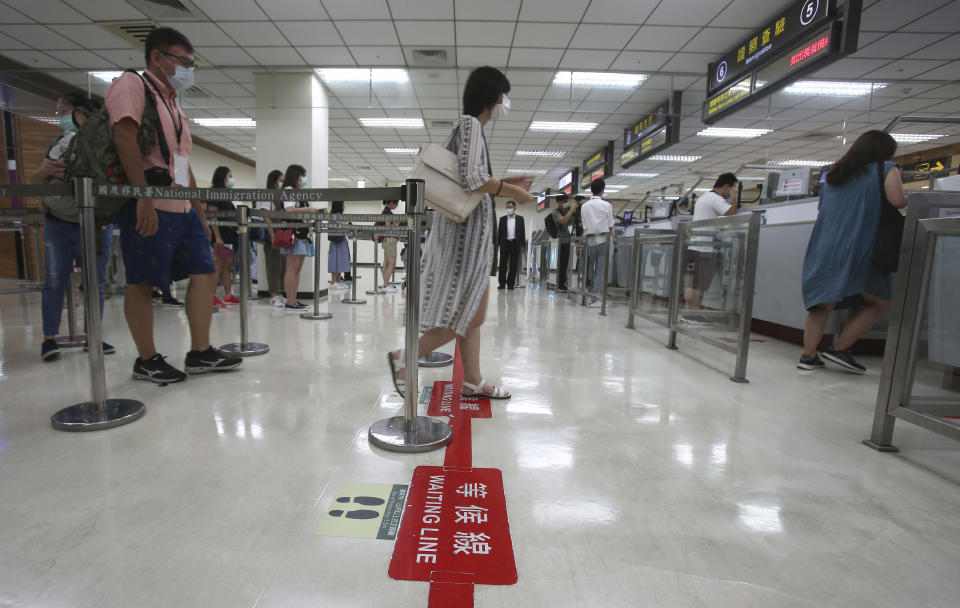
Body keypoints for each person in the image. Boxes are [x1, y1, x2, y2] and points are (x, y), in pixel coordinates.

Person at [387, 66, 535, 399]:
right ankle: (402, 358)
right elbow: (472, 180)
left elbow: (470, 179)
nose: (505, 103)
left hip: (470, 242)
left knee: (471, 316)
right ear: (494, 96)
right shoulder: (469, 125)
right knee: (466, 315)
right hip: (464, 243)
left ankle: (472, 380)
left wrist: (510, 182)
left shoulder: (471, 129)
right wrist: (515, 193)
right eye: (503, 96)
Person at [107, 26, 242, 382]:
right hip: (150, 203)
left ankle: (200, 352)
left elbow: (181, 162)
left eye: (191, 63)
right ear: (157, 57)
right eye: (183, 62)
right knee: (141, 282)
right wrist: (143, 197)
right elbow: (124, 136)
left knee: (206, 272)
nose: (188, 69)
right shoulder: (133, 85)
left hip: (182, 208)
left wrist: (201, 211)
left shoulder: (173, 102)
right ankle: (147, 359)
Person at [799, 130, 907, 373]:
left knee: (821, 303)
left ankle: (808, 356)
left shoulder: (834, 177)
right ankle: (840, 348)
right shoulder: (887, 168)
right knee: (879, 302)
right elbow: (898, 200)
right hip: (861, 245)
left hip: (824, 246)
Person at [32, 92, 115, 360]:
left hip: (94, 222)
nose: (61, 117)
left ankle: (93, 336)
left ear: (81, 112)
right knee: (55, 280)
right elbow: (35, 178)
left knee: (95, 283)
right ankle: (49, 338)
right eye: (58, 111)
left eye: (64, 110)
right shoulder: (59, 144)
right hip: (59, 221)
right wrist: (49, 173)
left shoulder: (105, 144)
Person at [686, 172, 738, 307]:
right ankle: (693, 316)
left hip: (696, 246)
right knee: (700, 285)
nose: (730, 193)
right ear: (727, 187)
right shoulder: (716, 199)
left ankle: (689, 312)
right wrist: (735, 197)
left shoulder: (704, 197)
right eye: (732, 189)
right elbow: (731, 213)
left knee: (694, 284)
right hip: (705, 249)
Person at [276, 163, 318, 312]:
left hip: (302, 233)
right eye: (303, 176)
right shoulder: (288, 191)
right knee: (292, 269)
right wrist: (309, 209)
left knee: (297, 269)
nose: (304, 179)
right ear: (296, 176)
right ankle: (290, 302)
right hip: (294, 234)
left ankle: (293, 299)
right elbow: (289, 209)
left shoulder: (297, 192)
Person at [205, 166, 238, 307]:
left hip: (229, 236)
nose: (231, 179)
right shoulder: (214, 194)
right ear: (222, 177)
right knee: (218, 265)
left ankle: (228, 294)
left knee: (227, 266)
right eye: (229, 176)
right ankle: (211, 296)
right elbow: (213, 217)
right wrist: (218, 237)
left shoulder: (225, 194)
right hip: (221, 236)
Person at [580, 179, 615, 307]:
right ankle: (596, 298)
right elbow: (610, 225)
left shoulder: (584, 206)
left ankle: (590, 292)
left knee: (591, 269)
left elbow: (585, 226)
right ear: (602, 190)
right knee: (601, 270)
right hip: (604, 240)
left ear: (591, 190)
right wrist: (614, 240)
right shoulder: (606, 205)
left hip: (590, 241)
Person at [256, 169, 287, 306]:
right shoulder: (268, 196)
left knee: (282, 264)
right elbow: (265, 216)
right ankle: (273, 294)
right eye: (281, 180)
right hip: (272, 234)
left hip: (281, 233)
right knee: (273, 265)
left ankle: (280, 292)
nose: (282, 183)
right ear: (274, 182)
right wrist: (272, 234)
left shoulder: (280, 197)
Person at [551, 194, 578, 292]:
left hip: (571, 240)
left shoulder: (569, 210)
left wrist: (575, 208)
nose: (566, 203)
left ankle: (564, 283)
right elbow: (563, 220)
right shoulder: (555, 212)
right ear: (558, 202)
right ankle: (561, 284)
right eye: (564, 202)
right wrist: (572, 209)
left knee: (566, 263)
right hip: (562, 241)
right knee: (562, 263)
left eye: (567, 201)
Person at [497, 200, 525, 290]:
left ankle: (510, 284)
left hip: (515, 244)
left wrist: (523, 245)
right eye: (507, 207)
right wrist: (497, 245)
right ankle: (502, 284)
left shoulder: (520, 219)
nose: (508, 209)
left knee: (513, 265)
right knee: (502, 265)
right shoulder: (502, 219)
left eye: (510, 207)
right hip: (505, 243)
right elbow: (499, 233)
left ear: (515, 208)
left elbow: (522, 232)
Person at [328, 200, 350, 290]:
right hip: (336, 241)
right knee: (335, 260)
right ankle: (334, 282)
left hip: (342, 241)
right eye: (343, 203)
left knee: (341, 261)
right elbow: (338, 225)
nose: (344, 205)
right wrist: (346, 224)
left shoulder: (340, 215)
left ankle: (338, 281)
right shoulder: (333, 216)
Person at [379, 199, 400, 293]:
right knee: (392, 263)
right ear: (392, 202)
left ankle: (385, 283)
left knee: (386, 263)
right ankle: (385, 284)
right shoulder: (387, 212)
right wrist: (397, 223)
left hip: (386, 240)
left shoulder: (385, 211)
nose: (396, 205)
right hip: (390, 240)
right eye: (396, 203)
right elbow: (388, 226)